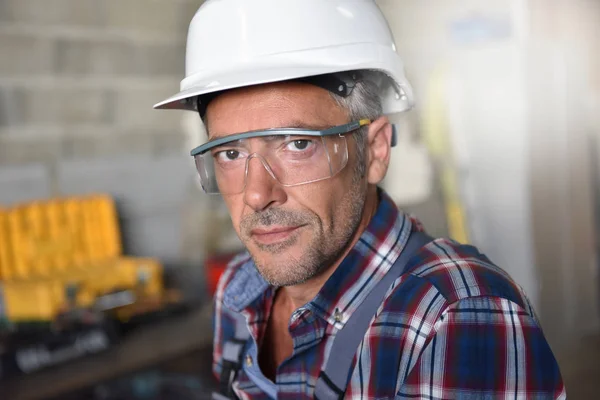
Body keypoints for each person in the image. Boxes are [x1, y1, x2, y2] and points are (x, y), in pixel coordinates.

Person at [155, 1, 565, 398]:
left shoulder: (456, 316)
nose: (258, 194)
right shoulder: (240, 290)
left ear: (374, 151)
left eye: (298, 144)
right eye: (230, 153)